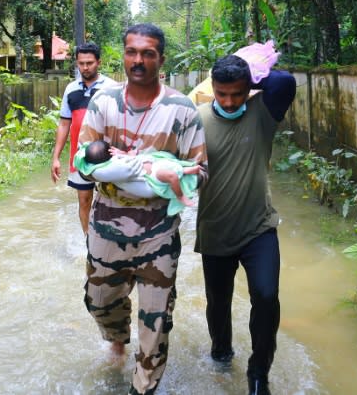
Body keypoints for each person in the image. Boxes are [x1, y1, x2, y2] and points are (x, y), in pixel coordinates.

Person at [77, 23, 208, 395]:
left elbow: (202, 172)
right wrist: (119, 170)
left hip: (158, 232)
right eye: (132, 52)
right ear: (123, 56)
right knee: (99, 300)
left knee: (156, 322)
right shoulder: (103, 103)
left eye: (148, 53)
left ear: (160, 59)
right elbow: (85, 159)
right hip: (106, 228)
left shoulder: (182, 111)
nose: (139, 60)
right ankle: (117, 337)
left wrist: (167, 176)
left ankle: (143, 387)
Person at [194, 44, 296, 395]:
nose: (230, 101)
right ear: (212, 88)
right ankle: (221, 354)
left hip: (258, 228)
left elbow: (284, 82)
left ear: (249, 89)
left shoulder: (263, 112)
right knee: (218, 304)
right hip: (215, 229)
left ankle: (258, 375)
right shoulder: (197, 119)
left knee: (267, 298)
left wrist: (254, 74)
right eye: (222, 94)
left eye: (237, 94)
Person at [51, 42, 114, 234]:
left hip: (108, 154)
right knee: (84, 200)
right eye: (81, 63)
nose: (85, 68)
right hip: (80, 154)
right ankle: (89, 241)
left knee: (110, 199)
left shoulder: (111, 88)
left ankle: (108, 239)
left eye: (89, 63)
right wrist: (55, 158)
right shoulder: (71, 89)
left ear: (99, 62)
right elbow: (64, 124)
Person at [75, 140, 200, 215]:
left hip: (153, 168)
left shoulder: (115, 160)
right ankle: (180, 196)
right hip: (152, 177)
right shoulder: (110, 169)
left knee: (171, 169)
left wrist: (125, 154)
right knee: (171, 175)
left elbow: (132, 158)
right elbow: (131, 166)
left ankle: (186, 170)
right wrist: (127, 155)